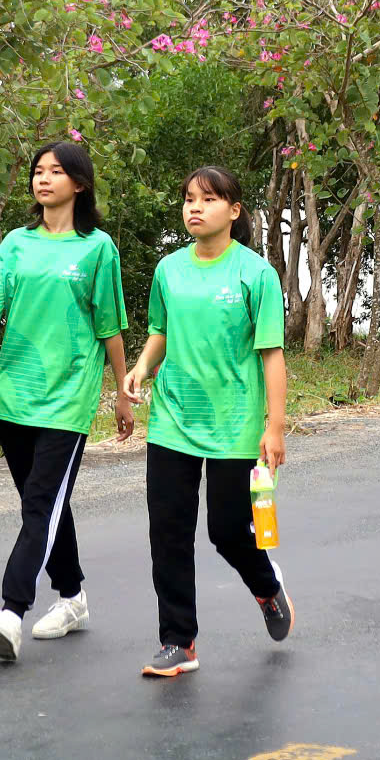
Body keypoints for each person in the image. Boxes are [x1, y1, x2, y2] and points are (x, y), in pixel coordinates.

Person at [0, 140, 133, 664]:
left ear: (79, 183)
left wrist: (121, 393)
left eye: (55, 171)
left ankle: (10, 610)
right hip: (14, 393)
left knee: (41, 503)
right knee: (41, 504)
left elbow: (109, 325)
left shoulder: (98, 248)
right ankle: (72, 598)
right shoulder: (17, 244)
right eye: (38, 171)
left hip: (68, 397)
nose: (43, 179)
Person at [119, 165, 291, 678]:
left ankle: (265, 586)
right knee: (167, 531)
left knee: (226, 530)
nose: (195, 207)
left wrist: (274, 426)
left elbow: (271, 355)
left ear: (234, 211)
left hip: (234, 423)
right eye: (190, 199)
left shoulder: (255, 273)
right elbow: (160, 332)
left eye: (209, 199)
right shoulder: (169, 270)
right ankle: (179, 641)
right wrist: (141, 368)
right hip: (172, 419)